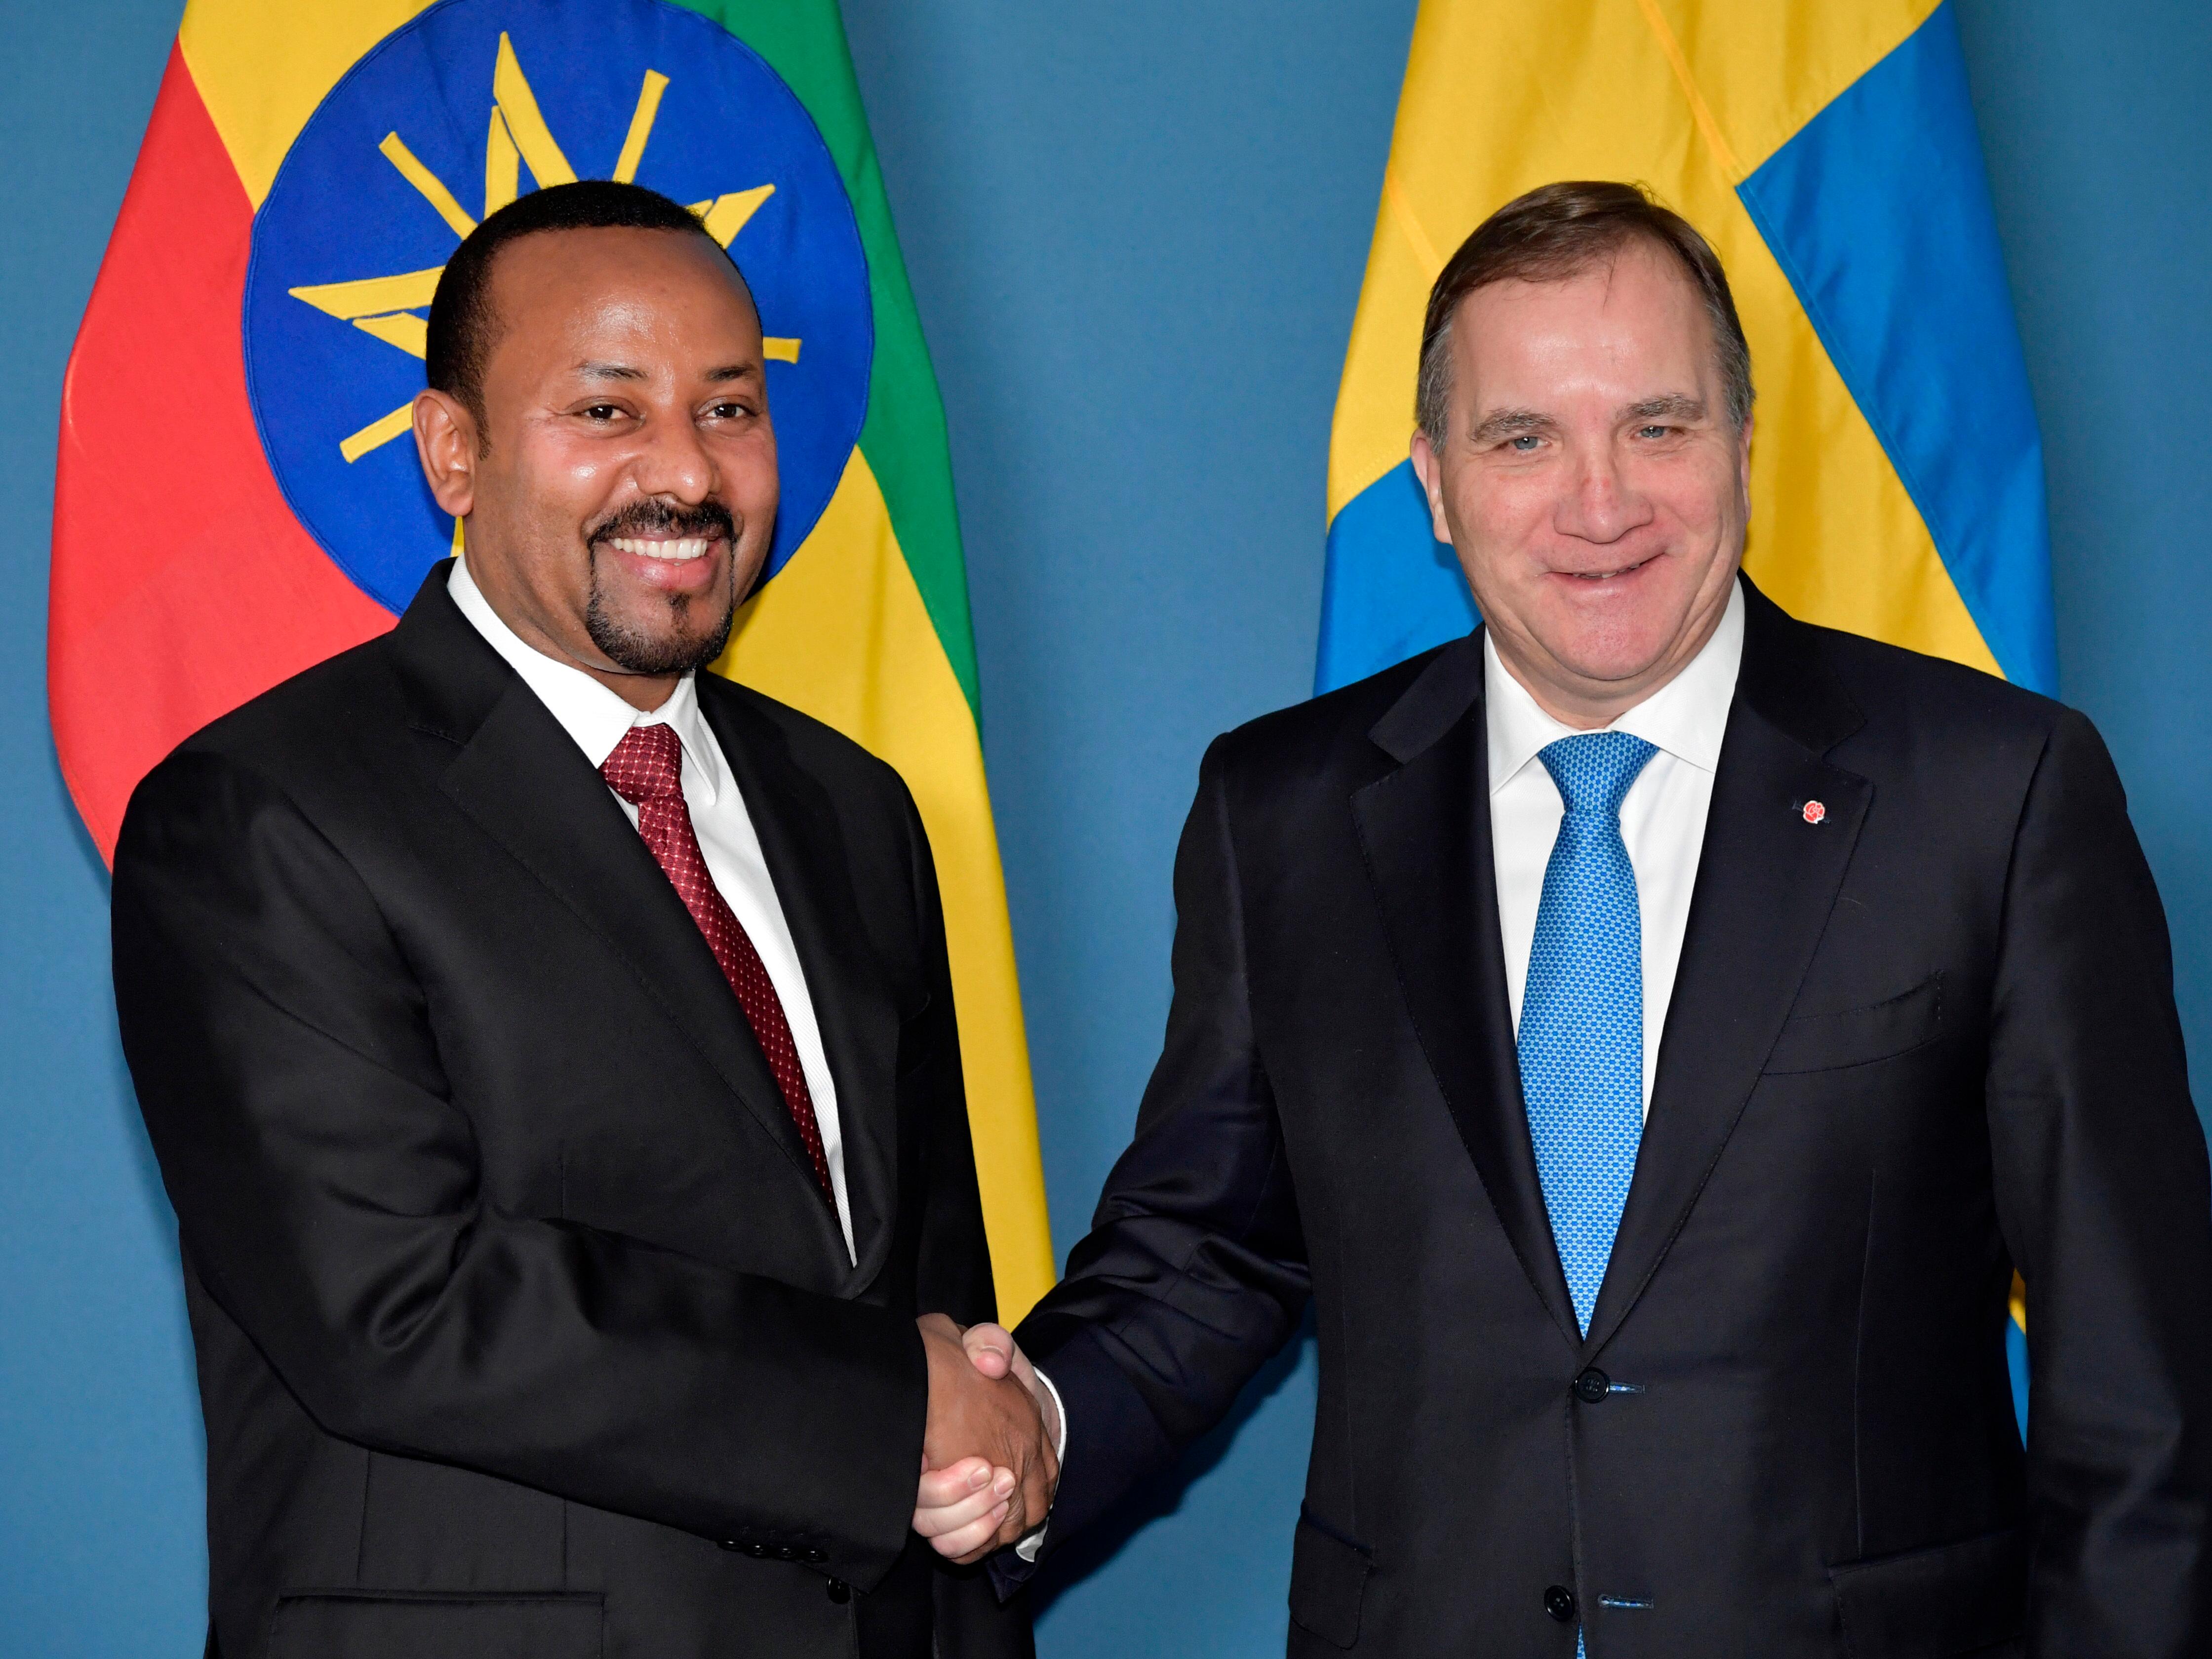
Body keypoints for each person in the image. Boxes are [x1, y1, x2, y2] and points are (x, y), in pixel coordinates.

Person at [924, 181, 2212, 1654]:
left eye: (1656, 426)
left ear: (1741, 440)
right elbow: (1209, 1248)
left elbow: (2140, 1388)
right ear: (1435, 480)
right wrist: (1033, 1421)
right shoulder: (1280, 811)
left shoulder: (1992, 793)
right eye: (1522, 438)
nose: (1601, 504)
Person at [112, 180, 1052, 1659]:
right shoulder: (259, 814)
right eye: (606, 412)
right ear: (453, 455)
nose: (684, 471)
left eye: (731, 409)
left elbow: (932, 1304)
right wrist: (887, 1410)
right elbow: (398, 1309)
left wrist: (982, 1455)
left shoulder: (853, 807)